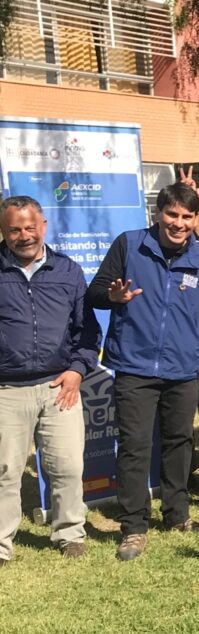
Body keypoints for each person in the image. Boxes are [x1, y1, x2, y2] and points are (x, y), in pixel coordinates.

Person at [88, 183, 199, 561]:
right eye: (172, 214)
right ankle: (134, 526)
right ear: (158, 213)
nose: (179, 223)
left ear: (196, 219)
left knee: (179, 442)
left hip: (182, 366)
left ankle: (176, 514)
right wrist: (113, 297)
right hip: (134, 365)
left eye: (187, 217)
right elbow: (96, 292)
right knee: (135, 447)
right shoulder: (129, 244)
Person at [0, 196, 100, 562]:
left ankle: (70, 532)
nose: (23, 235)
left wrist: (76, 371)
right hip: (6, 389)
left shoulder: (68, 271)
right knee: (5, 471)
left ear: (43, 226)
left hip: (60, 386)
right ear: (3, 231)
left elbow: (87, 331)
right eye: (14, 229)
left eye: (30, 227)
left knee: (68, 466)